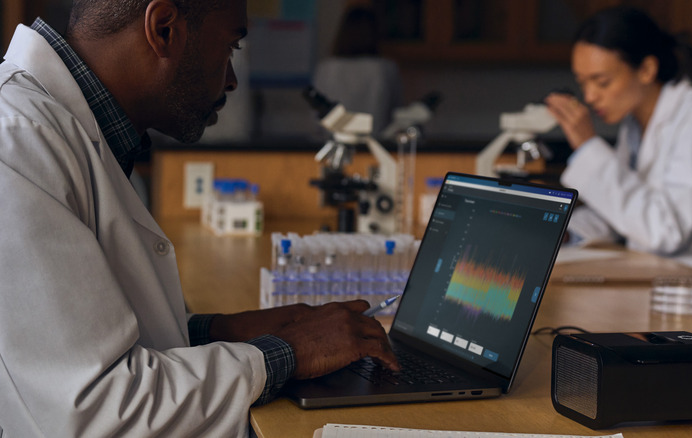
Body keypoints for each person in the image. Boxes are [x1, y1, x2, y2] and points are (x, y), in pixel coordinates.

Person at [0, 1, 398, 436]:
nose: (231, 79)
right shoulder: (17, 143)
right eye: (231, 47)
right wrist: (289, 352)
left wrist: (221, 330)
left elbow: (95, 345)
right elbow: (96, 410)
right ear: (164, 29)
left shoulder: (67, 132)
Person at [545, 6, 692, 287]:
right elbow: (619, 212)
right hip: (672, 280)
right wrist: (563, 234)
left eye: (601, 82)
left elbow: (666, 231)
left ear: (647, 69)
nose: (589, 97)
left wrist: (587, 145)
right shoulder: (634, 126)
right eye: (582, 83)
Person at [312, 6, 402, 137]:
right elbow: (396, 113)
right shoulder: (385, 68)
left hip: (335, 142)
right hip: (374, 143)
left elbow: (316, 116)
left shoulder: (326, 68)